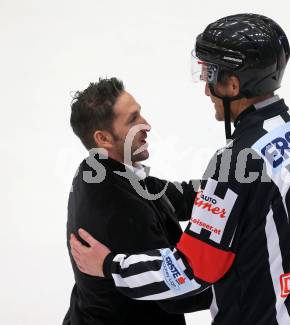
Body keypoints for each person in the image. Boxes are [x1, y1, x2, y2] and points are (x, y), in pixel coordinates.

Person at [70, 14, 290, 325]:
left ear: (233, 84)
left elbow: (192, 270)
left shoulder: (234, 162)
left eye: (210, 76)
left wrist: (110, 266)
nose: (206, 90)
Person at [64, 77, 211, 325]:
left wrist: (234, 189)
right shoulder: (116, 206)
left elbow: (175, 197)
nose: (147, 125)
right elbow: (177, 292)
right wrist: (249, 276)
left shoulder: (103, 170)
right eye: (132, 120)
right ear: (103, 138)